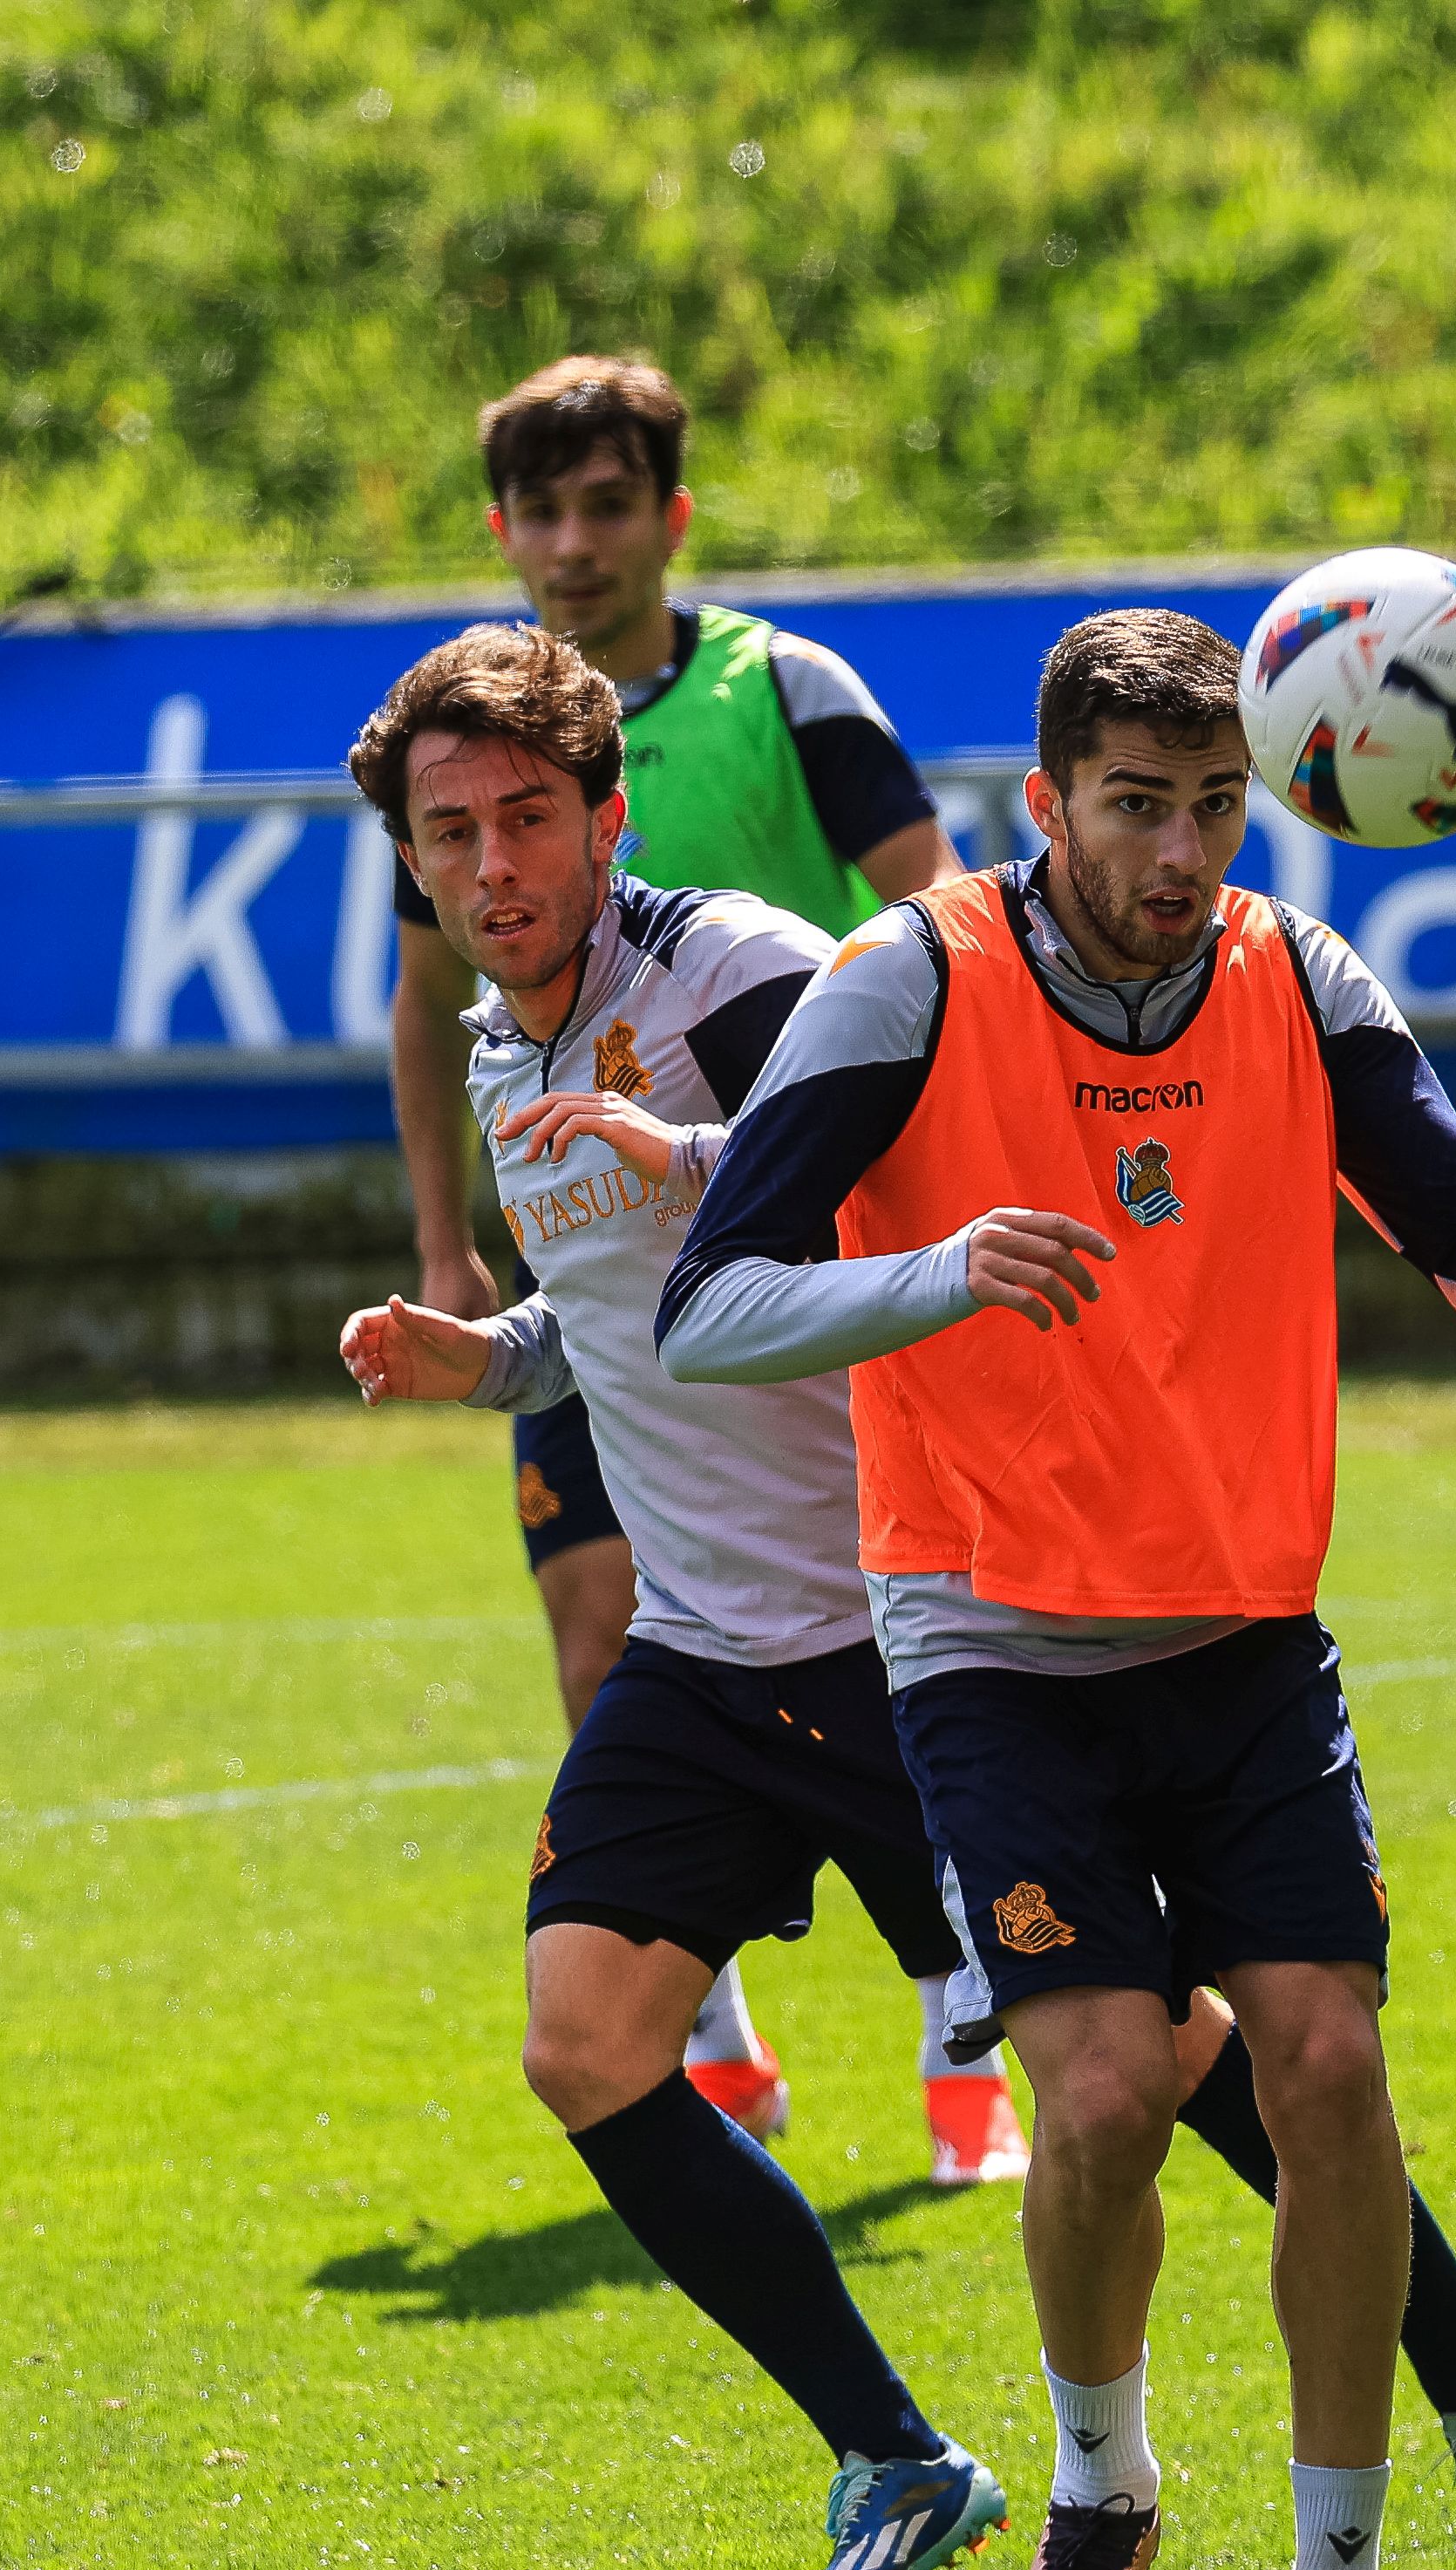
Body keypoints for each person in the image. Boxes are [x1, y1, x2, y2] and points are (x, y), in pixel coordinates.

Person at [334, 624, 1456, 2570]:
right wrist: (487, 1363)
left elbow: (861, 1179)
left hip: (917, 1618)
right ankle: (897, 2455)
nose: (494, 866)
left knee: (1165, 2066)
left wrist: (683, 1152)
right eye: (451, 832)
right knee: (588, 2046)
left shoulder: (735, 971)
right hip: (711, 1644)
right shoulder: (508, 1043)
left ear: (610, 815)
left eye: (531, 819)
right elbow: (639, 1319)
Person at [659, 610, 1456, 2570]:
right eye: (1135, 806)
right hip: (991, 1631)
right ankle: (1100, 2491)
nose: (1179, 853)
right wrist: (942, 1269)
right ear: (1046, 805)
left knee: (1329, 2073)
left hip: (1245, 1633)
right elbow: (712, 1303)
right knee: (1095, 2104)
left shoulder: (1298, 975)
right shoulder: (911, 975)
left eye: (1213, 807)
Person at [380, 355, 975, 2160]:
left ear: (670, 517)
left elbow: (934, 928)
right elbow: (431, 1016)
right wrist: (450, 1273)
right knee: (599, 1623)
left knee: (1079, 1966)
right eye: (539, 514)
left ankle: (974, 2028)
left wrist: (726, 1130)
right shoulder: (462, 756)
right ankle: (707, 2034)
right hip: (599, 1269)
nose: (572, 544)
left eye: (606, 505)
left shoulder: (778, 704)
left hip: (816, 1290)